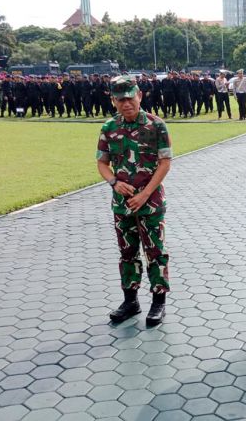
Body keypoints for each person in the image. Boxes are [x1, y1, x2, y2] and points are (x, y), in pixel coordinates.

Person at [96, 75, 173, 326]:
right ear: (113, 101)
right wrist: (114, 183)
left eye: (130, 98)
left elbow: (164, 163)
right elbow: (102, 163)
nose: (125, 103)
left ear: (139, 95)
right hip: (122, 203)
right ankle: (131, 301)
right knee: (127, 252)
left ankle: (158, 302)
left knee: (155, 251)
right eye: (120, 99)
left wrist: (144, 194)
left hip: (150, 202)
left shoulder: (156, 125)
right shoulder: (109, 127)